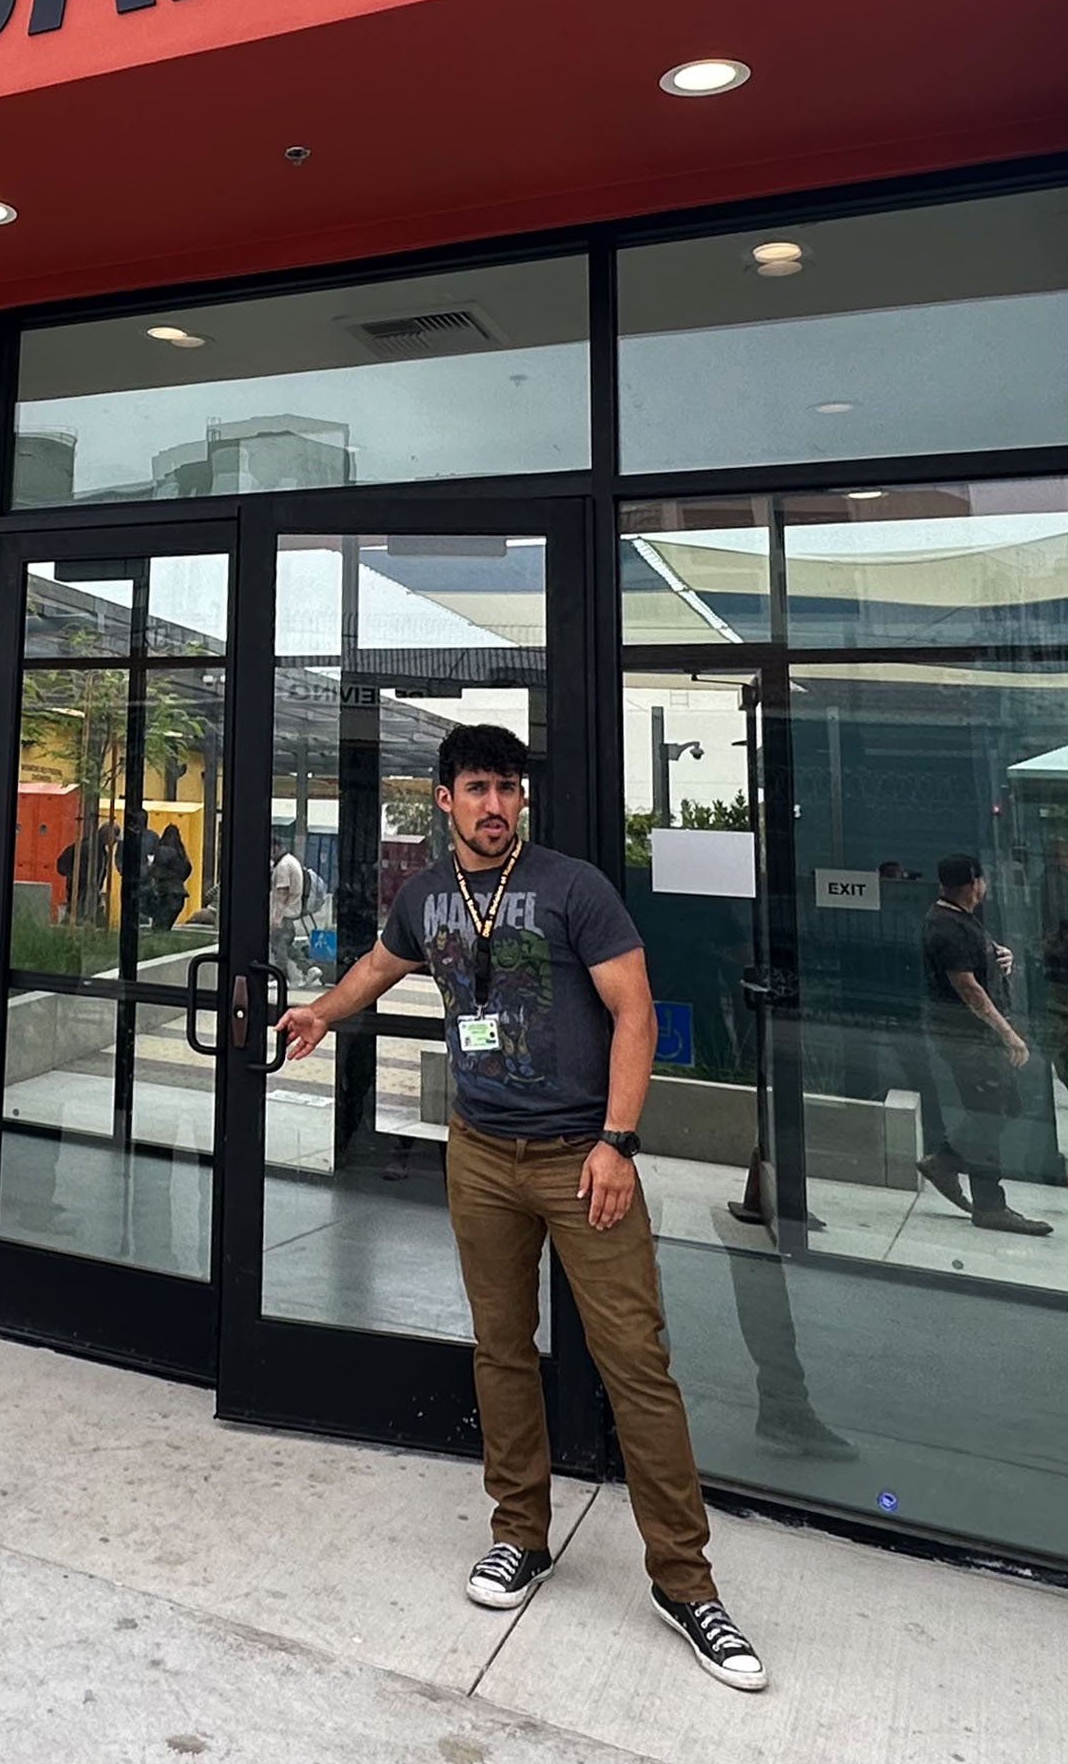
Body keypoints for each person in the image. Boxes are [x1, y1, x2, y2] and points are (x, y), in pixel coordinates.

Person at [277, 720, 767, 1696]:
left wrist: (617, 1141)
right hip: (482, 1154)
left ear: (520, 799)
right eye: (477, 788)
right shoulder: (426, 894)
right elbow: (385, 960)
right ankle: (520, 1534)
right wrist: (324, 1011)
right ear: (445, 799)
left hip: (582, 1157)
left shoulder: (574, 886)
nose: (495, 804)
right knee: (502, 1347)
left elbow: (635, 1009)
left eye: (507, 787)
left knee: (635, 1360)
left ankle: (686, 1581)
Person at [916, 854, 1050, 1236]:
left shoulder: (961, 920)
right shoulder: (945, 927)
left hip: (975, 1037)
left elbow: (976, 964)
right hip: (967, 1038)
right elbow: (968, 989)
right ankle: (990, 1203)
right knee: (987, 1113)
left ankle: (945, 1160)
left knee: (1002, 1105)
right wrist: (1008, 1033)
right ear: (972, 882)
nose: (986, 886)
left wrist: (997, 956)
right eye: (983, 880)